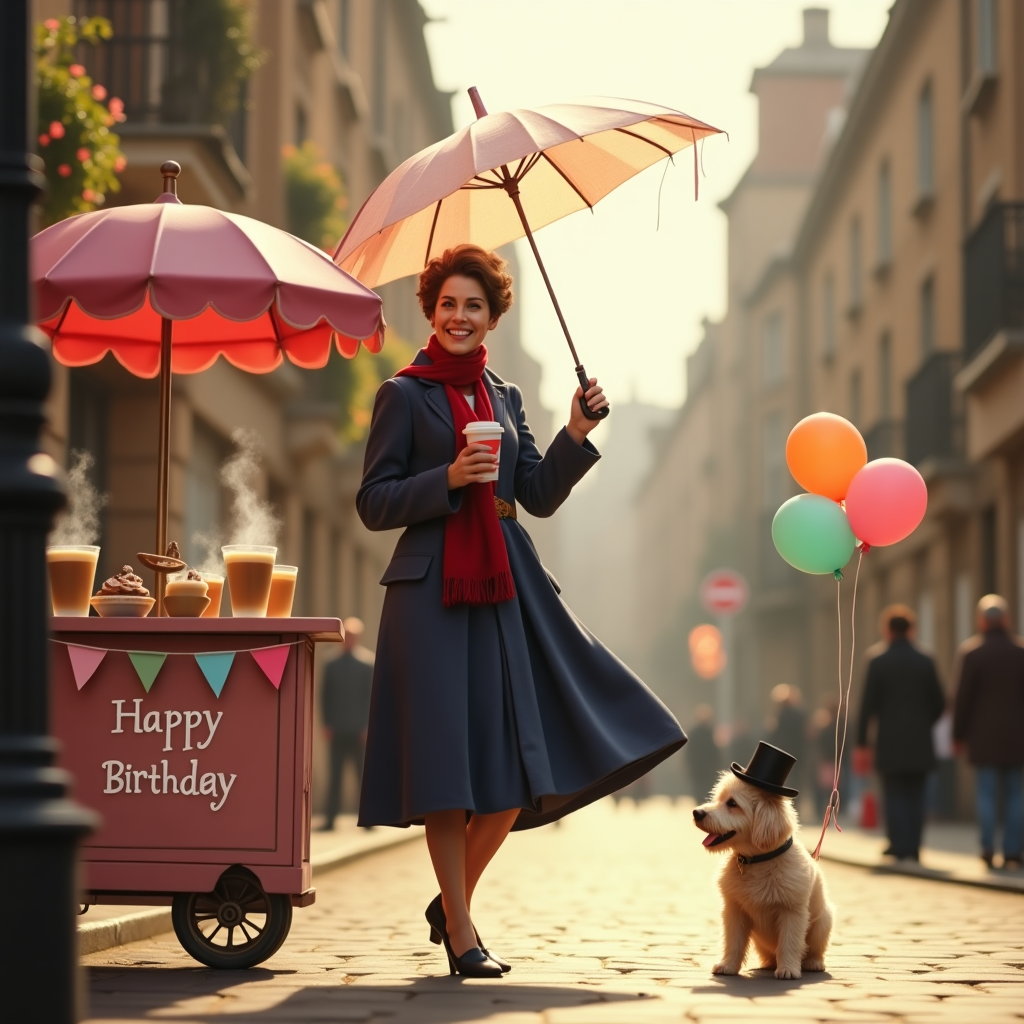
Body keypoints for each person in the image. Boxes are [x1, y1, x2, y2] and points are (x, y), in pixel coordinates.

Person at [356, 245, 685, 977]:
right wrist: (445, 477)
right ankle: (464, 937)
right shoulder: (402, 395)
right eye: (447, 304)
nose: (459, 316)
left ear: (492, 317)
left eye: (474, 305)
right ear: (431, 313)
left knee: (508, 767)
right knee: (447, 770)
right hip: (431, 593)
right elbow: (373, 501)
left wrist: (575, 433)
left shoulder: (505, 397)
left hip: (506, 584)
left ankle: (452, 905)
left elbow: (534, 493)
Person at [855, 605, 945, 861]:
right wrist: (924, 722)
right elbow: (939, 702)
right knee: (917, 795)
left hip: (889, 740)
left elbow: (866, 706)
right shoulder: (925, 659)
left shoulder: (877, 660)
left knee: (893, 792)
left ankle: (898, 844)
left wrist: (861, 742)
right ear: (911, 629)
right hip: (920, 741)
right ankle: (914, 847)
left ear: (887, 630)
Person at [952, 595, 1024, 870]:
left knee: (986, 794)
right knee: (1017, 795)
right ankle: (1014, 852)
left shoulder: (972, 653)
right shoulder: (1020, 652)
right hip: (1018, 738)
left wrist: (958, 736)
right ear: (1005, 620)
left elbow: (963, 699)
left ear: (982, 621)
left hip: (983, 739)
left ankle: (987, 847)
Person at [319, 616, 375, 831]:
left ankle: (369, 819)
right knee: (335, 776)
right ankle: (330, 820)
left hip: (359, 730)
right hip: (337, 729)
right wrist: (326, 724)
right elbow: (325, 696)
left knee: (363, 777)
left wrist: (368, 727)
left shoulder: (367, 663)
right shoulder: (330, 663)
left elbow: (371, 698)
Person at [768, 684, 807, 793]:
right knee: (797, 778)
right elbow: (804, 734)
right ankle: (796, 798)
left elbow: (776, 735)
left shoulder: (781, 715)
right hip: (798, 752)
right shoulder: (800, 714)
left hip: (783, 752)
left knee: (785, 777)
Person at [686, 704, 721, 801]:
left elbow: (689, 751)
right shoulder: (709, 732)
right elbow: (715, 750)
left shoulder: (694, 732)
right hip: (707, 767)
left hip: (697, 766)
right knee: (706, 788)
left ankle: (699, 802)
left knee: (698, 787)